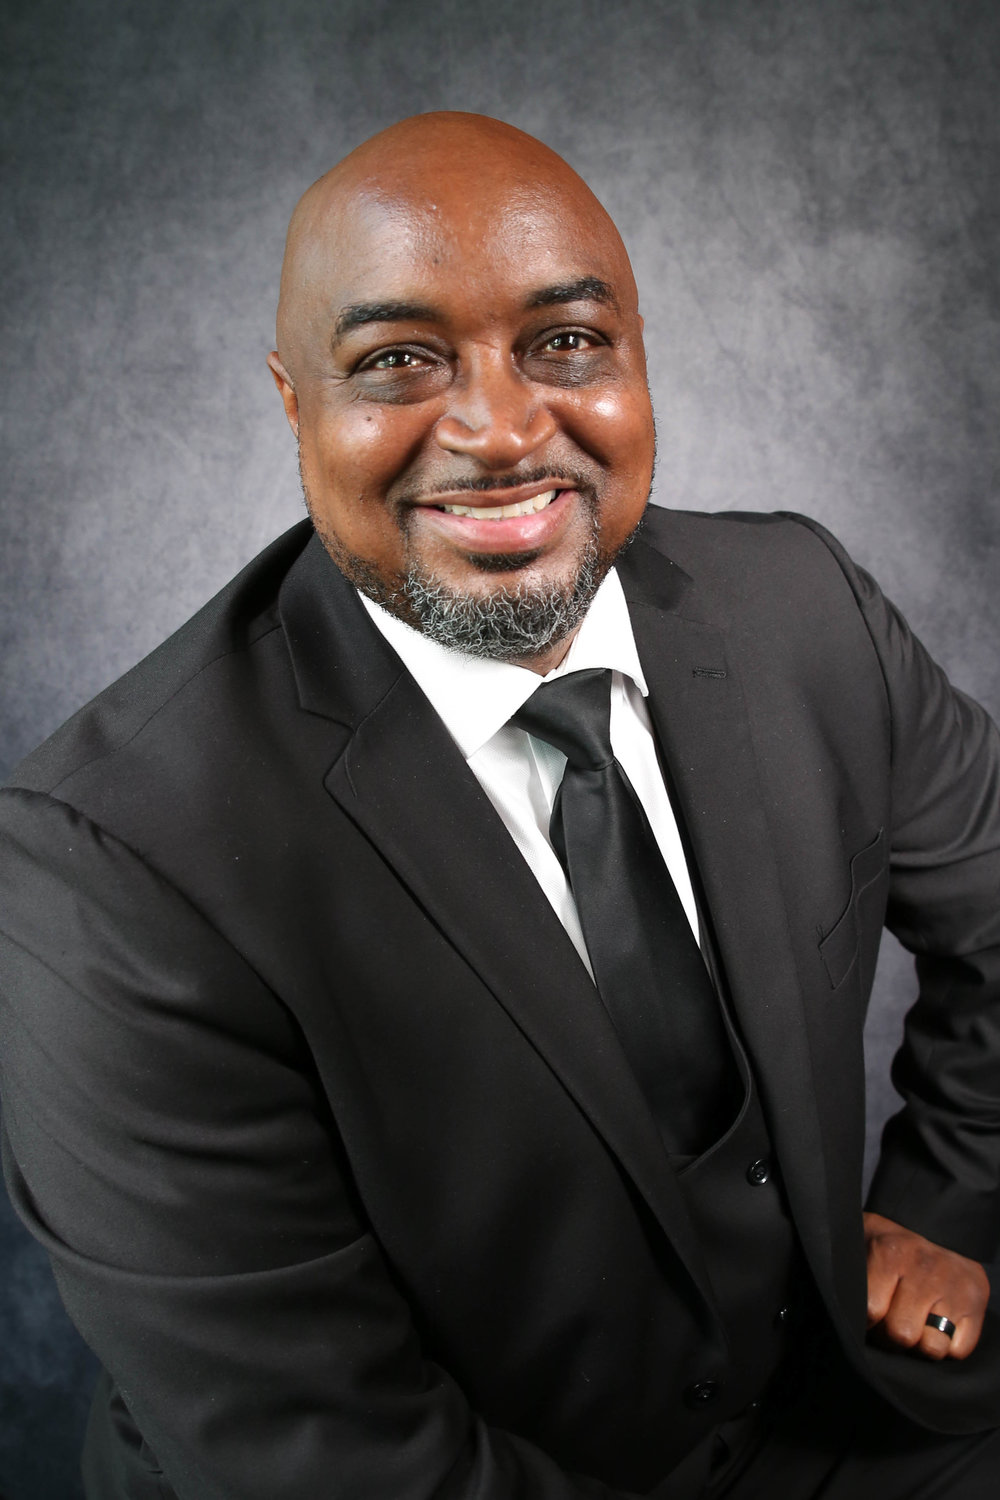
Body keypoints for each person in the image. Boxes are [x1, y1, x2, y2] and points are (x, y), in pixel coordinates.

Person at [1, 111, 999, 1500]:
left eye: (566, 342)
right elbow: (325, 1452)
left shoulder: (803, 606)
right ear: (293, 402)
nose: (503, 429)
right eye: (398, 360)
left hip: (822, 1403)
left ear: (637, 356)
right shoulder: (106, 866)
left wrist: (951, 1200)